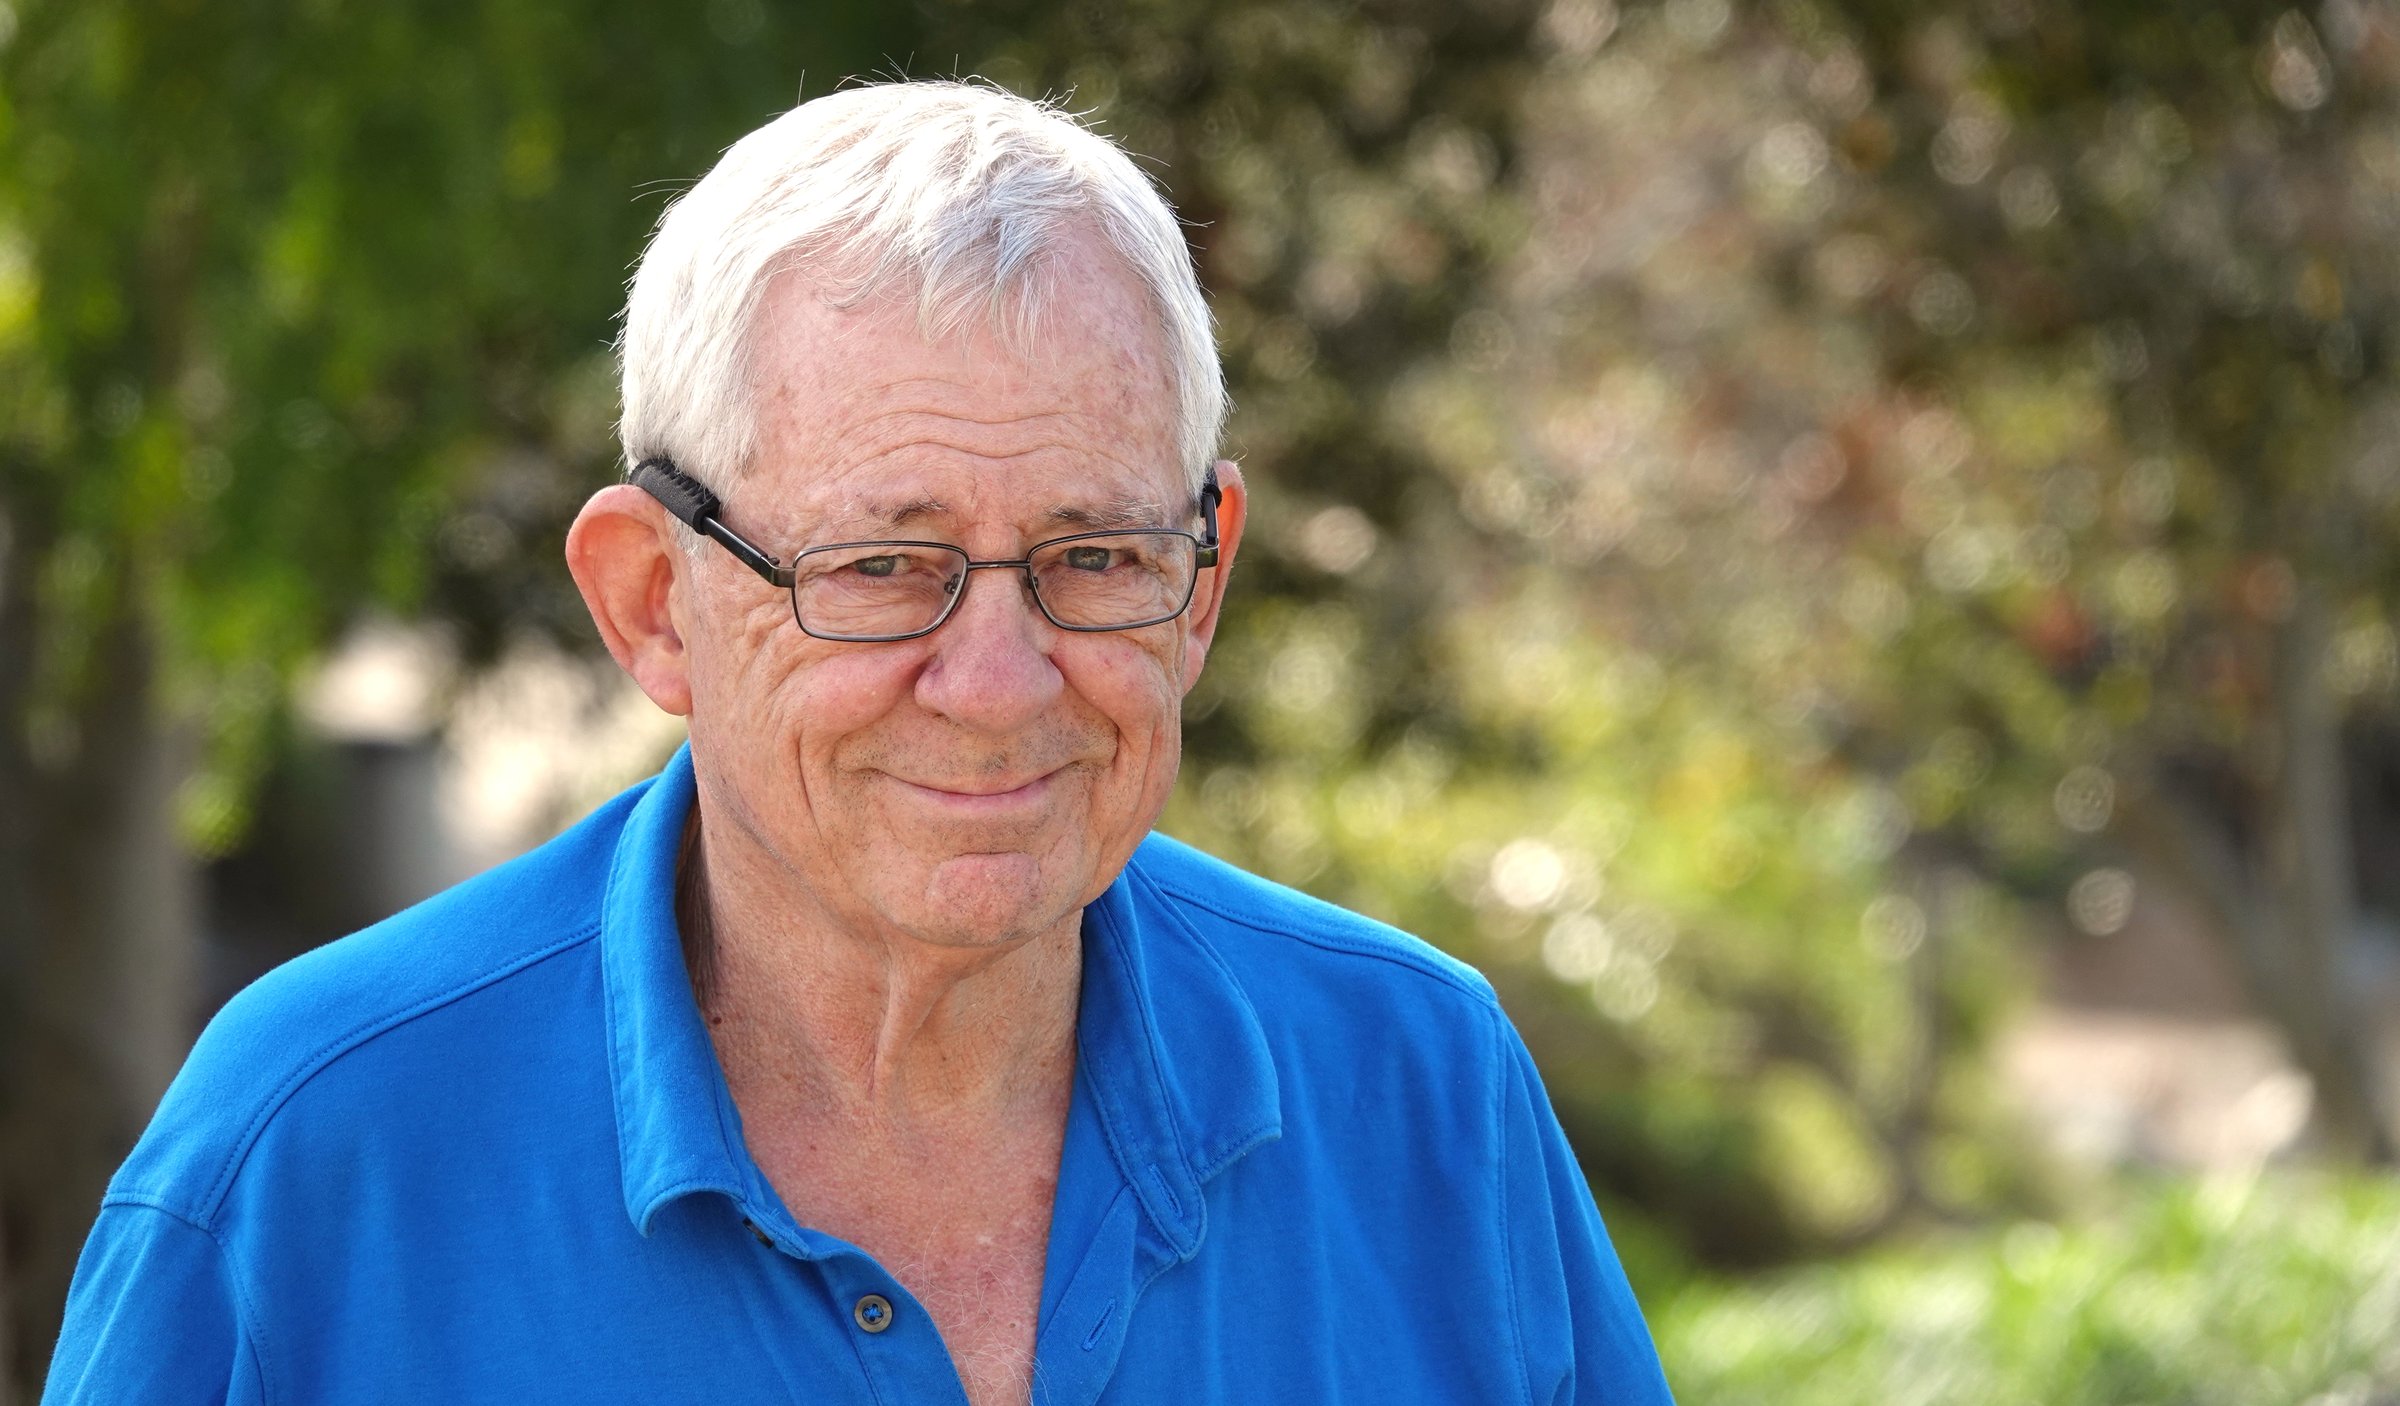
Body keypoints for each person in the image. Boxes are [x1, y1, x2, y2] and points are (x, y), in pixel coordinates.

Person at [43, 81, 1675, 1406]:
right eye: (882, 568)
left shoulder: (1419, 1087)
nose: (996, 680)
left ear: (1204, 583)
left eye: (1096, 557)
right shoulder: (314, 1156)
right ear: (652, 602)